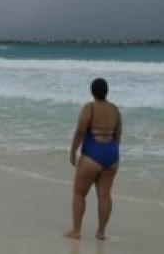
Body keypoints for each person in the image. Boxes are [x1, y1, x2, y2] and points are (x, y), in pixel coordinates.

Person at [64, 77, 122, 241]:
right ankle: (101, 232)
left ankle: (76, 231)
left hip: (92, 154)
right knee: (104, 195)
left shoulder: (89, 108)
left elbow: (80, 131)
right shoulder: (115, 110)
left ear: (92, 91)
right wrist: (112, 154)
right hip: (111, 154)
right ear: (106, 92)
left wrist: (73, 150)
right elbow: (118, 135)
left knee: (79, 193)